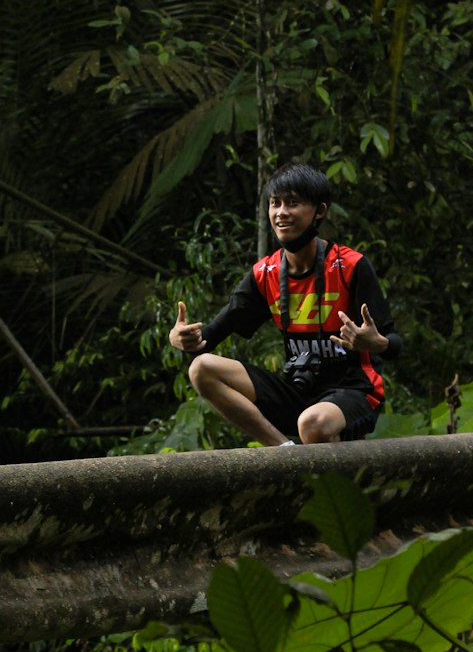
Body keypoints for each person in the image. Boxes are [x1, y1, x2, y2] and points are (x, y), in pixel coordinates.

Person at [168, 161, 401, 446]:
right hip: (298, 390)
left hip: (354, 392)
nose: (281, 213)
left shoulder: (350, 266)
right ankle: (284, 452)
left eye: (293, 203)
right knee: (201, 368)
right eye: (275, 203)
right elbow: (208, 339)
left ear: (320, 211)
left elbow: (394, 343)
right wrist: (181, 338)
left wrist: (375, 343)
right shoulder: (264, 274)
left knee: (312, 424)